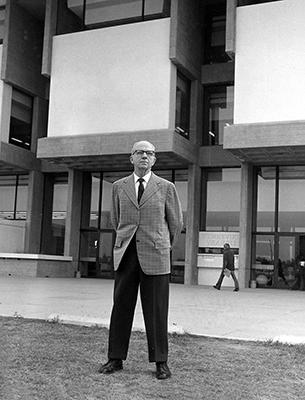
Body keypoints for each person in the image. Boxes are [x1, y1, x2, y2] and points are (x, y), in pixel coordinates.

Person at [98, 140, 183, 380]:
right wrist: (127, 240)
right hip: (126, 255)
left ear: (154, 159)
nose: (144, 156)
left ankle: (160, 363)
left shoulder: (166, 187)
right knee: (121, 308)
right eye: (139, 152)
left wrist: (161, 245)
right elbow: (116, 221)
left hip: (156, 256)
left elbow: (175, 224)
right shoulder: (118, 187)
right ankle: (115, 358)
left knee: (156, 311)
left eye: (149, 153)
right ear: (131, 158)